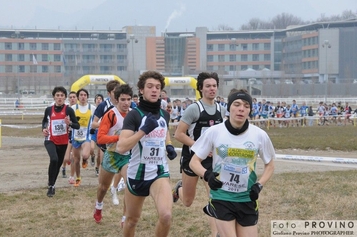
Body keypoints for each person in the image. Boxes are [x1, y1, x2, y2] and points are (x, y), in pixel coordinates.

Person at [189, 88, 275, 237]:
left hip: (247, 197)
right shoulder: (214, 132)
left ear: (250, 111)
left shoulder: (259, 135)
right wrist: (208, 175)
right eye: (237, 104)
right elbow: (194, 162)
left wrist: (259, 185)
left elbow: (270, 164)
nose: (241, 109)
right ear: (229, 108)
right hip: (221, 196)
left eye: (246, 106)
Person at [116, 71, 177, 237]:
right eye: (150, 86)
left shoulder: (165, 114)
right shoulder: (133, 115)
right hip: (137, 174)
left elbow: (164, 133)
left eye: (158, 87)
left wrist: (169, 145)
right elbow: (121, 147)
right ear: (141, 90)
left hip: (159, 173)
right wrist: (142, 131)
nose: (154, 90)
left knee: (166, 216)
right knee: (131, 220)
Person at [172, 72, 225, 237]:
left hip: (211, 160)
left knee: (215, 197)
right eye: (208, 86)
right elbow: (179, 134)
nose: (212, 89)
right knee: (187, 201)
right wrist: (201, 147)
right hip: (192, 159)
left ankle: (215, 233)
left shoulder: (221, 110)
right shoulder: (194, 109)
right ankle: (177, 190)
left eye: (214, 86)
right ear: (201, 89)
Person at [93, 84, 133, 225]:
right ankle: (98, 206)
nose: (126, 103)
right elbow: (100, 138)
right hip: (111, 154)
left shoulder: (134, 114)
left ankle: (125, 217)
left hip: (128, 156)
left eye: (128, 99)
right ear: (116, 99)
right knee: (103, 187)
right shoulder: (110, 114)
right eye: (123, 99)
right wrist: (119, 138)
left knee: (130, 186)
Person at [41, 86, 79, 197]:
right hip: (50, 139)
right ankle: (51, 186)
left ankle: (51, 183)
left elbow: (77, 125)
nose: (59, 98)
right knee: (54, 159)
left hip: (63, 142)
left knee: (57, 165)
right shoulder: (49, 110)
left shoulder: (68, 110)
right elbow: (44, 122)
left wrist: (69, 124)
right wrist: (44, 128)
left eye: (62, 95)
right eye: (57, 95)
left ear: (65, 97)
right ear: (54, 97)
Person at [64, 88, 95, 187]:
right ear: (78, 97)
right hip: (75, 137)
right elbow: (68, 121)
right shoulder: (73, 108)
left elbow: (97, 120)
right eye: (81, 95)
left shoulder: (92, 108)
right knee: (76, 160)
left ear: (87, 97)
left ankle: (85, 160)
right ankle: (78, 177)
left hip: (86, 136)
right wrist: (68, 123)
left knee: (85, 155)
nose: (83, 97)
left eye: (85, 95)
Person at [91, 80, 121, 178]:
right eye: (114, 92)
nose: (117, 94)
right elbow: (93, 124)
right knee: (103, 161)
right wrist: (105, 125)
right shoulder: (103, 106)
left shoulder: (125, 103)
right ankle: (100, 173)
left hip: (120, 140)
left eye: (118, 91)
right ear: (109, 93)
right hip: (106, 141)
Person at [61, 91, 78, 179]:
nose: (72, 99)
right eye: (70, 97)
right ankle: (63, 167)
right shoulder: (66, 109)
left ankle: (72, 176)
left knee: (73, 156)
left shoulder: (79, 109)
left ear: (77, 98)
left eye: (74, 97)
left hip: (76, 134)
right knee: (66, 155)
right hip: (66, 133)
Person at [90, 93, 104, 174]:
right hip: (94, 132)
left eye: (100, 98)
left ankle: (97, 167)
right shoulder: (92, 109)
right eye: (97, 98)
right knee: (91, 148)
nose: (98, 100)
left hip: (101, 133)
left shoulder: (105, 109)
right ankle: (92, 156)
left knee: (99, 154)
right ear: (95, 101)